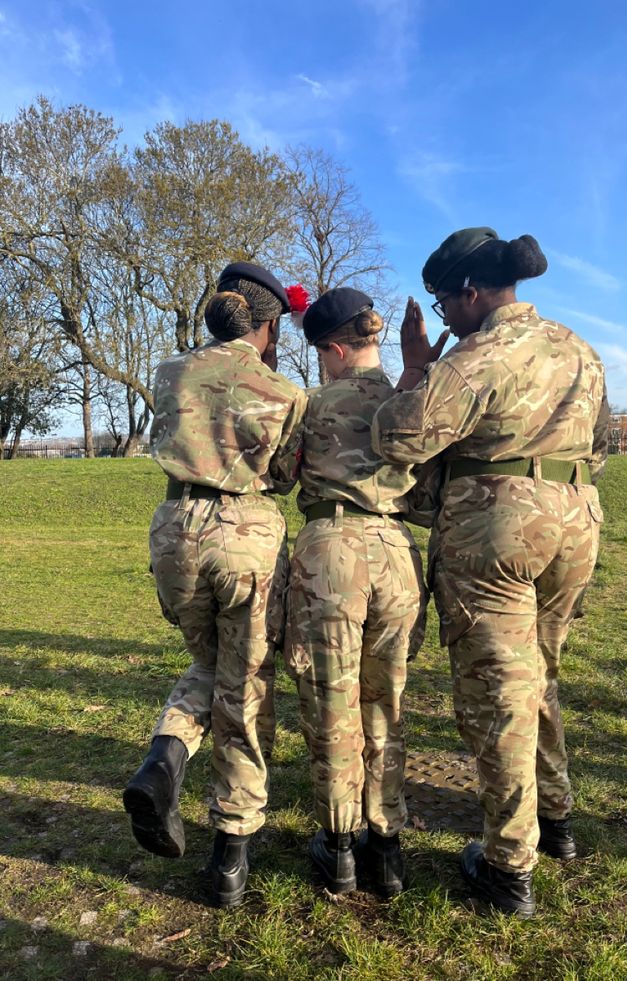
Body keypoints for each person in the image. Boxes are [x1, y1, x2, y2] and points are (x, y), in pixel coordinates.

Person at [371, 228, 609, 917]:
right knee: (538, 672)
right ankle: (554, 817)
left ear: (471, 293)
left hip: (497, 527)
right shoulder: (577, 347)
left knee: (497, 690)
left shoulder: (478, 357)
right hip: (575, 519)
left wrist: (417, 367)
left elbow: (397, 435)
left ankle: (508, 864)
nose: (442, 315)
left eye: (443, 301)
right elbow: (598, 443)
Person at [123, 262, 307, 908]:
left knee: (208, 661)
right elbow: (284, 475)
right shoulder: (282, 390)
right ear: (267, 324)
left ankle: (164, 759)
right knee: (246, 682)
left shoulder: (169, 373)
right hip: (245, 534)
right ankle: (231, 850)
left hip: (173, 528)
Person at [285, 287, 427, 896]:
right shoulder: (411, 400)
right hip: (396, 553)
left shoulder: (313, 404)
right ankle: (387, 845)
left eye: (321, 354)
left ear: (336, 349)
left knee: (331, 701)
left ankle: (340, 847)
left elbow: (277, 471)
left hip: (331, 552)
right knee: (385, 700)